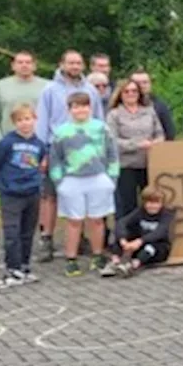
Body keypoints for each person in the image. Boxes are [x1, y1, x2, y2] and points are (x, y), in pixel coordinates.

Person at [36, 51, 104, 261]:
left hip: (84, 151)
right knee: (50, 196)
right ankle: (47, 239)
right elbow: (42, 122)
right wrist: (43, 153)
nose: (75, 66)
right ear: (62, 64)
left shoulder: (90, 90)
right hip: (57, 148)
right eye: (71, 63)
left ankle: (80, 238)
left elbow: (99, 119)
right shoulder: (49, 90)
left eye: (78, 63)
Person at [49, 92, 119, 277]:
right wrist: (59, 182)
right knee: (74, 221)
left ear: (90, 108)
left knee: (97, 220)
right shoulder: (61, 131)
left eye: (84, 106)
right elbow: (55, 159)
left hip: (98, 177)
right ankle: (71, 259)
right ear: (70, 109)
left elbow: (112, 153)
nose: (81, 110)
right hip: (72, 180)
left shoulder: (101, 128)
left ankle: (98, 255)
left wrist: (112, 178)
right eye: (76, 107)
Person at [0, 104, 47, 288]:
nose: (25, 123)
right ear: (14, 123)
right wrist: (3, 185)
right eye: (20, 120)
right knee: (12, 232)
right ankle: (12, 269)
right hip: (11, 194)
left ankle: (24, 266)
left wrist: (37, 183)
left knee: (27, 231)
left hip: (32, 192)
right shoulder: (7, 142)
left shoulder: (39, 144)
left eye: (28, 119)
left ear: (35, 120)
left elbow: (39, 165)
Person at [106, 78, 165, 222]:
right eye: (126, 91)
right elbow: (111, 141)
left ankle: (150, 236)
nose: (131, 94)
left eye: (134, 91)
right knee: (127, 205)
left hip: (149, 164)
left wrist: (157, 142)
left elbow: (160, 133)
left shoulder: (149, 111)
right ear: (120, 94)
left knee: (152, 202)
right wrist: (136, 144)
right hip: (126, 166)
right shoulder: (114, 115)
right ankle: (126, 237)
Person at [107, 188, 175, 277]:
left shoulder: (166, 215)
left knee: (150, 248)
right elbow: (122, 223)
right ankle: (114, 262)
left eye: (156, 203)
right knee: (118, 238)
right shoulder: (140, 211)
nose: (152, 206)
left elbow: (160, 232)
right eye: (149, 203)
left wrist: (140, 241)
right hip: (139, 245)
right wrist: (123, 239)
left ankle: (133, 266)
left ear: (162, 203)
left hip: (158, 247)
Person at [0, 51, 49, 143]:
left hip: (40, 142)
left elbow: (55, 114)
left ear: (34, 66)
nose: (24, 65)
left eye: (28, 62)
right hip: (9, 142)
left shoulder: (48, 87)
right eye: (20, 62)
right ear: (13, 66)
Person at [129, 69, 177, 141]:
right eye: (137, 83)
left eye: (145, 82)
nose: (141, 86)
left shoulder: (160, 107)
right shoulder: (119, 109)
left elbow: (170, 134)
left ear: (150, 84)